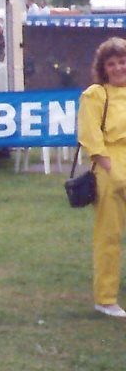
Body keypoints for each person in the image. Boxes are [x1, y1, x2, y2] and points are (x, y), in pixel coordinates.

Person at [78, 36, 126, 318]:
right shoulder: (95, 95)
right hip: (110, 167)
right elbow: (91, 137)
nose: (118, 68)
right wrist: (113, 171)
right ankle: (105, 298)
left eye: (122, 62)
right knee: (109, 236)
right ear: (103, 68)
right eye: (112, 64)